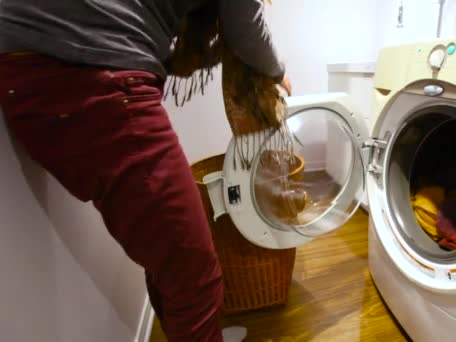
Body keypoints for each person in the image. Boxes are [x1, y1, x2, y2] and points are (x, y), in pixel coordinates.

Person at [0, 0, 291, 341]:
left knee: (173, 261)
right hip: (86, 71)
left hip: (52, 65)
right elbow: (245, 23)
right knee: (193, 273)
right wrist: (278, 72)